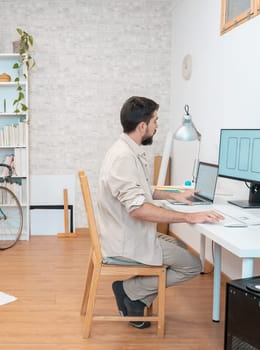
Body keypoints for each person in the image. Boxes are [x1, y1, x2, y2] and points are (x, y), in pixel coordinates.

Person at [97, 96, 224, 329]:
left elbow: (141, 191)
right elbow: (138, 209)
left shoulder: (127, 149)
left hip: (128, 231)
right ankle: (128, 290)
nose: (157, 125)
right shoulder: (123, 157)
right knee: (193, 265)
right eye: (155, 120)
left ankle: (137, 298)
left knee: (181, 248)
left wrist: (174, 195)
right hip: (125, 239)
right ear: (142, 126)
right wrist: (188, 217)